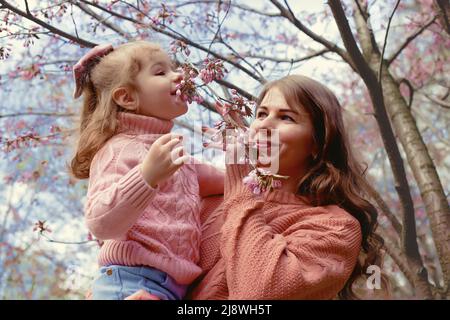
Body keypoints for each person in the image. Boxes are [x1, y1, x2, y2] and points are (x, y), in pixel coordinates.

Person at [127, 74, 385, 300]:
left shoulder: (335, 227)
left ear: (318, 143)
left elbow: (258, 294)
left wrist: (241, 186)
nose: (264, 125)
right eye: (261, 114)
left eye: (286, 117)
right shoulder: (212, 200)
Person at [70, 41, 224, 300]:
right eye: (160, 72)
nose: (179, 75)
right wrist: (147, 176)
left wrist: (243, 137)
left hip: (168, 289)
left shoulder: (172, 156)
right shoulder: (118, 150)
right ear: (127, 97)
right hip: (129, 284)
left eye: (174, 68)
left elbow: (237, 181)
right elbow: (99, 223)